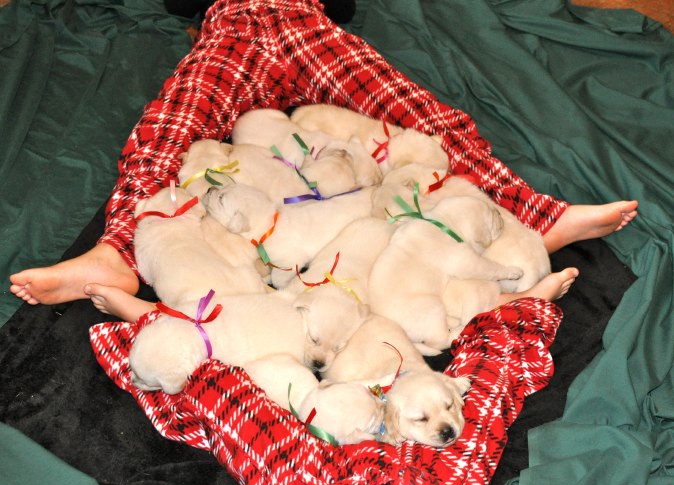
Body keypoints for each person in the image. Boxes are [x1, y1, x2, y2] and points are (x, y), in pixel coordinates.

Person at [9, 0, 637, 315]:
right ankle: (118, 252)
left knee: (417, 115)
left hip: (305, 23)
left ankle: (531, 215)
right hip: (235, 25)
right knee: (173, 124)